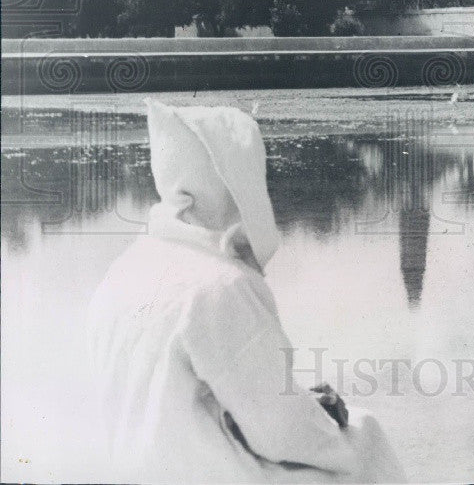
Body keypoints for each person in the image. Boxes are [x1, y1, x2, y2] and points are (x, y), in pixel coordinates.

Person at [86, 99, 404, 484]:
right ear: (233, 181)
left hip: (134, 471)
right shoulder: (220, 287)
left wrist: (298, 405)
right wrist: (322, 420)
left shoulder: (127, 268)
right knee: (364, 437)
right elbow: (282, 432)